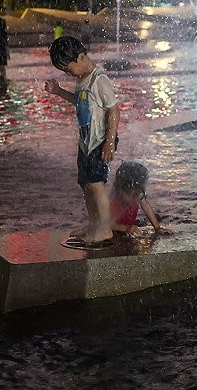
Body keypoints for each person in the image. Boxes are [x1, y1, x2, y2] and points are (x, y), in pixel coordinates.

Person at [45, 36, 121, 248]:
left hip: (100, 141)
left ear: (80, 57)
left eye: (68, 70)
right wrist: (59, 91)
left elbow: (114, 110)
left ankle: (104, 228)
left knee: (96, 186)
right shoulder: (82, 79)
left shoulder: (99, 80)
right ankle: (94, 224)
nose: (68, 74)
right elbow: (80, 102)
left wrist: (109, 142)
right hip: (86, 142)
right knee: (86, 185)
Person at [109, 161, 169, 237]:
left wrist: (157, 228)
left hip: (127, 228)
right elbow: (105, 224)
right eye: (133, 195)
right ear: (120, 190)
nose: (135, 198)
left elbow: (145, 205)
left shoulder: (137, 193)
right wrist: (125, 228)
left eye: (137, 194)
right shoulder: (112, 200)